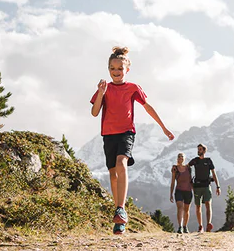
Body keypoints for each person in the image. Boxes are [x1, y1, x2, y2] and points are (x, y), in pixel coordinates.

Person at [90, 46, 175, 235]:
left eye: (120, 68)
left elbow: (148, 107)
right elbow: (95, 112)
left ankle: (121, 208)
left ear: (127, 69)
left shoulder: (132, 88)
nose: (116, 72)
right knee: (113, 175)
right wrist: (101, 93)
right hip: (108, 135)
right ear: (108, 69)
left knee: (122, 163)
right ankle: (119, 216)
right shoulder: (105, 89)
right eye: (112, 68)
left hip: (126, 133)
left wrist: (164, 128)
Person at [188, 143, 221, 232]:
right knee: (198, 206)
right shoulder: (195, 160)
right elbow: (187, 167)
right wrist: (190, 180)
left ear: (204, 150)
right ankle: (200, 226)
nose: (199, 151)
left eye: (200, 149)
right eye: (198, 149)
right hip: (197, 186)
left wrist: (218, 186)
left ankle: (208, 224)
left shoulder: (209, 160)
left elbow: (214, 174)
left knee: (208, 204)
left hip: (207, 185)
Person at [169, 152, 193, 234]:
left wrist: (194, 191)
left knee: (186, 209)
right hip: (179, 190)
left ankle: (185, 226)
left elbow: (191, 180)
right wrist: (171, 193)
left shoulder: (188, 168)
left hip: (188, 191)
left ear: (184, 158)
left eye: (182, 157)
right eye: (179, 157)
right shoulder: (175, 168)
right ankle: (180, 227)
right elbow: (172, 182)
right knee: (180, 207)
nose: (180, 158)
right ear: (177, 159)